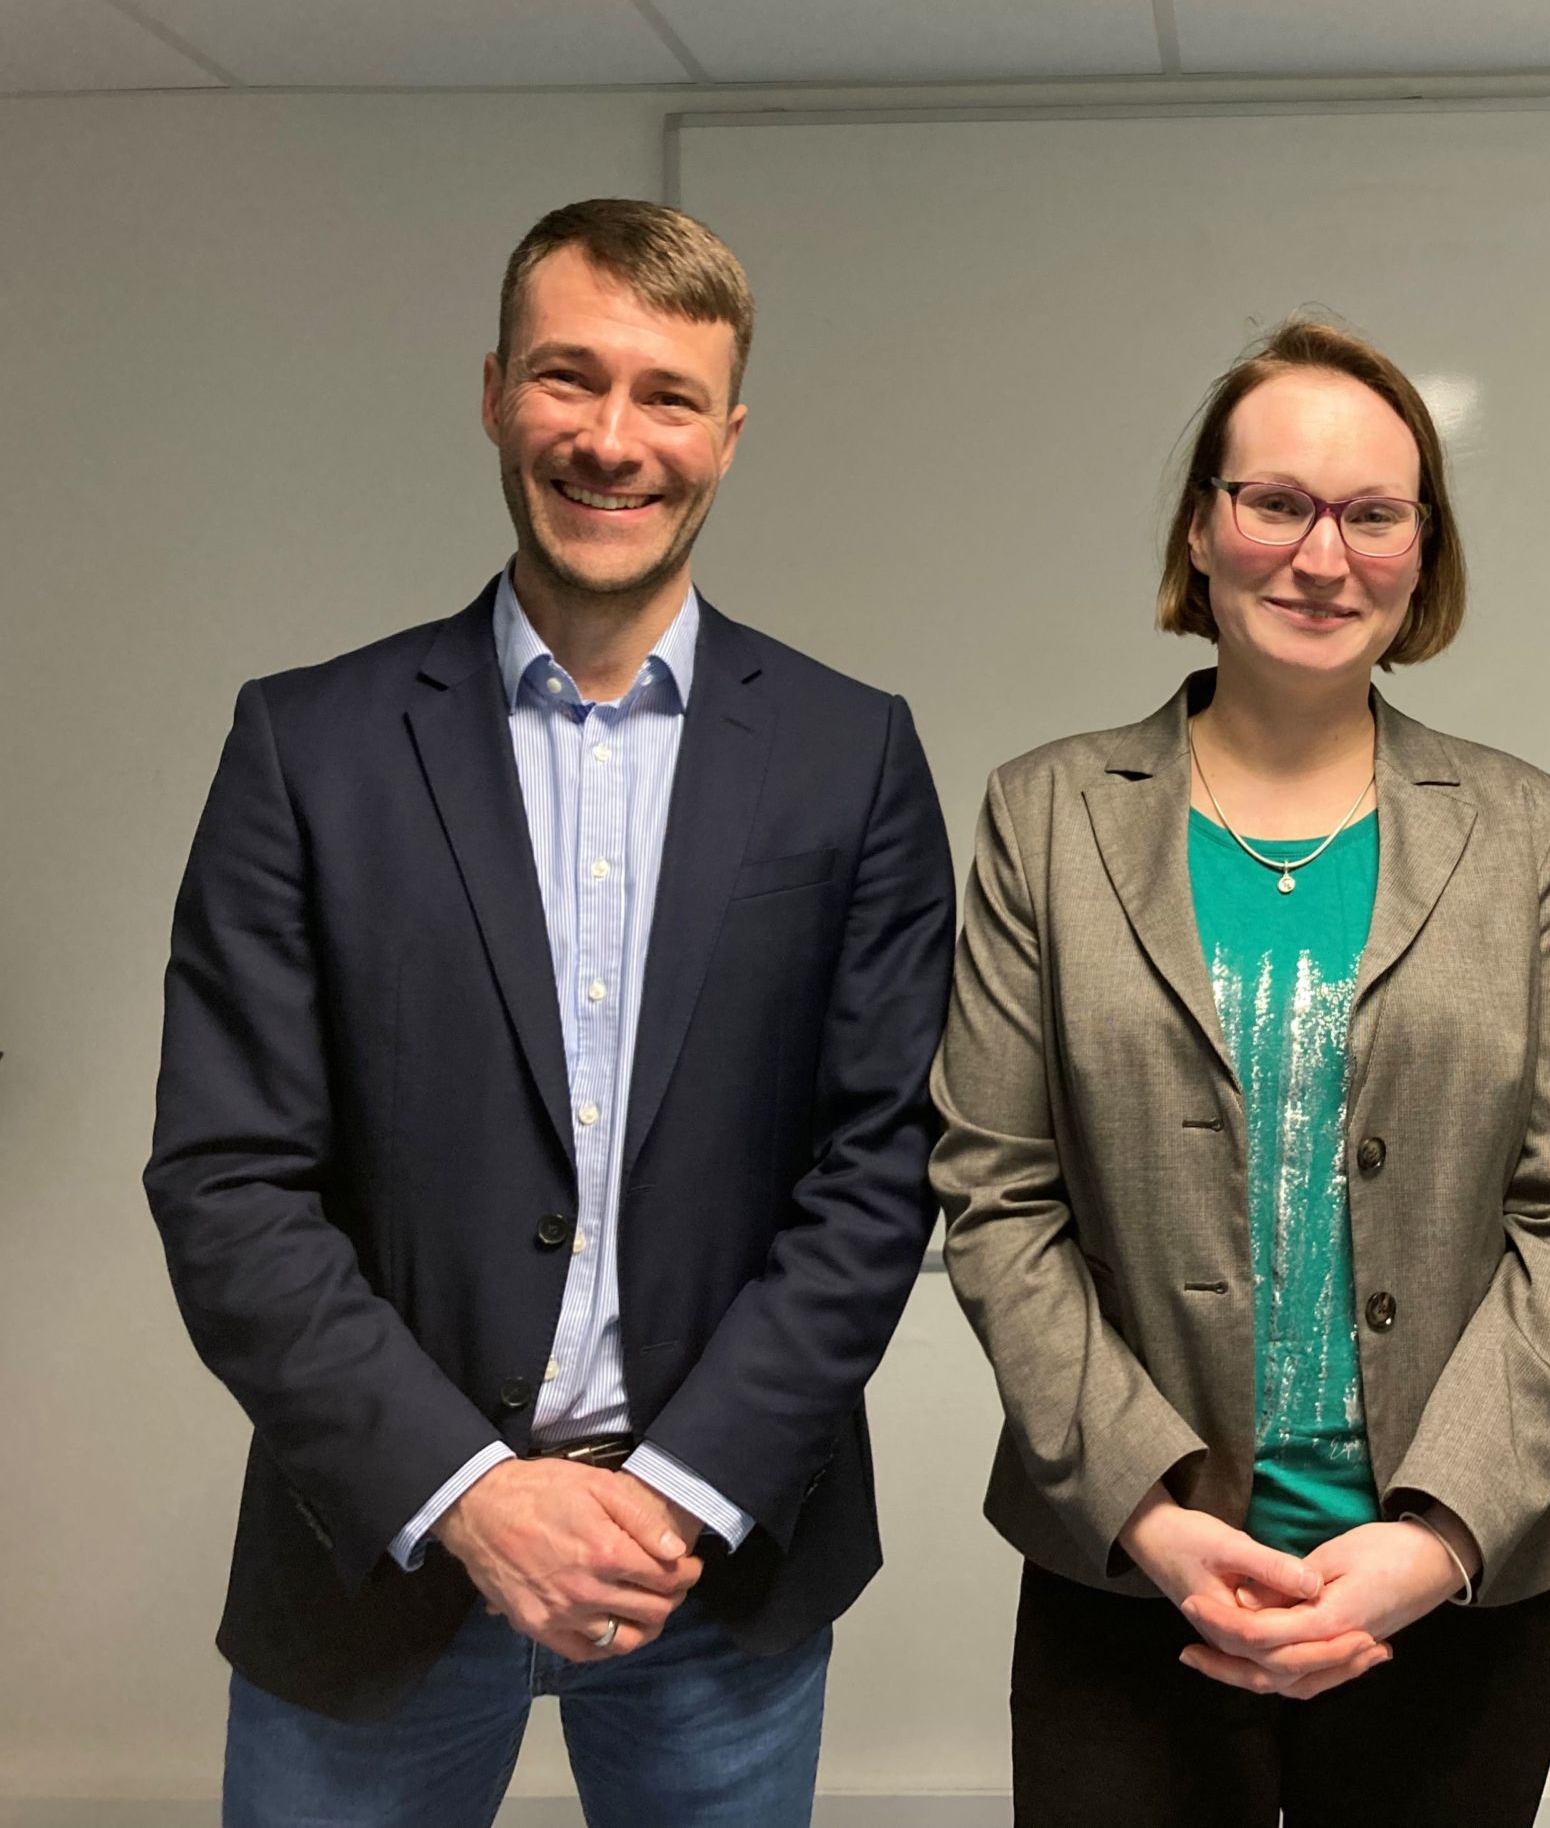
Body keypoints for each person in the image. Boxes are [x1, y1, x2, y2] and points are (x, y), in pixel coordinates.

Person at [144, 198, 955, 1827]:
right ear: (495, 388)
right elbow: (227, 1182)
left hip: (710, 1571)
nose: (609, 438)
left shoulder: (849, 755)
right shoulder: (310, 750)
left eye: (666, 395)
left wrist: (676, 1494)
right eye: (566, 379)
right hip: (381, 1550)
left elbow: (877, 1172)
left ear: (728, 432)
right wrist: (469, 1497)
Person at [930, 317, 1550, 1826]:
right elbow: (995, 1198)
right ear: (1203, 525)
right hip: (1130, 1596)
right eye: (1277, 504)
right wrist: (1152, 1516)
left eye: (1375, 515)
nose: (1324, 556)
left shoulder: (1522, 833)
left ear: (1420, 550)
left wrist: (1436, 1538)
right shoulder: (1045, 819)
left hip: (1453, 1607)